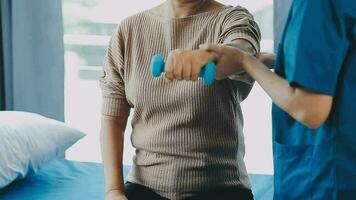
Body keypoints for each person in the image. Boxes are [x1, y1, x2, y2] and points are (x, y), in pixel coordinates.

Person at [169, 0, 356, 199]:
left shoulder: (317, 4)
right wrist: (275, 60)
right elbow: (338, 60)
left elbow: (310, 110)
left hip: (327, 176)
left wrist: (245, 60)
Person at [99, 0, 261, 199]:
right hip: (144, 186)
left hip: (220, 187)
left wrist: (206, 56)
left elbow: (242, 53)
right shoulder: (128, 30)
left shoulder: (233, 20)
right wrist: (114, 190)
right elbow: (112, 120)